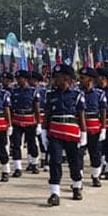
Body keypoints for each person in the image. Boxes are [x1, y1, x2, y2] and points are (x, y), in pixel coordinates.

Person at [41, 64, 87, 206]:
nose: (54, 80)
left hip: (72, 133)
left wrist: (83, 134)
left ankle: (77, 186)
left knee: (74, 162)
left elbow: (81, 116)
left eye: (57, 78)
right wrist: (43, 132)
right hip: (55, 133)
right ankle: (55, 192)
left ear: (66, 79)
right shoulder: (50, 95)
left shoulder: (77, 96)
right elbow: (47, 116)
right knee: (55, 161)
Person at [78, 67, 106, 187]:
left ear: (90, 79)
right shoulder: (77, 92)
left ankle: (95, 176)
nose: (80, 80)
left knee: (95, 153)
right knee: (78, 155)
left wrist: (103, 128)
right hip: (80, 128)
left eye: (83, 78)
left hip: (94, 127)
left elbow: (103, 112)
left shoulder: (99, 94)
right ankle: (78, 179)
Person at [9, 70, 41, 176]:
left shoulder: (33, 92)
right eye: (17, 79)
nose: (18, 81)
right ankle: (17, 168)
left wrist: (39, 123)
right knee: (16, 144)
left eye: (20, 78)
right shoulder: (14, 91)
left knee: (31, 144)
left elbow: (36, 108)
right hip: (17, 120)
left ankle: (34, 163)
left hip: (29, 120)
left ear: (26, 79)